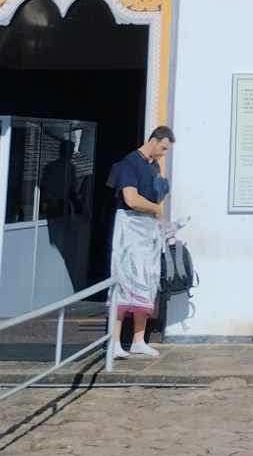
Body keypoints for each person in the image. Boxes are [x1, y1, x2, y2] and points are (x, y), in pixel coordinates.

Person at [106, 125, 174, 356]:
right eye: (163, 147)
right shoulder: (129, 163)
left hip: (147, 229)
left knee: (146, 279)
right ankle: (114, 342)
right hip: (130, 227)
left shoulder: (154, 167)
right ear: (154, 140)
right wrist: (156, 208)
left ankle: (138, 340)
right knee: (125, 281)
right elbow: (131, 198)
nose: (163, 153)